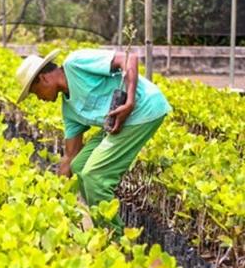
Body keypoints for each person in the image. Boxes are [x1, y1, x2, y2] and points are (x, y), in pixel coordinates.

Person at [15, 48, 171, 234]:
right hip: (119, 123)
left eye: (35, 93)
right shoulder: (69, 111)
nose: (39, 99)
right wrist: (53, 200)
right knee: (80, 165)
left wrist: (129, 102)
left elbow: (128, 58)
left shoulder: (76, 63)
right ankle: (101, 226)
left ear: (43, 79)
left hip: (143, 108)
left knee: (94, 176)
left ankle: (115, 239)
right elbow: (70, 157)